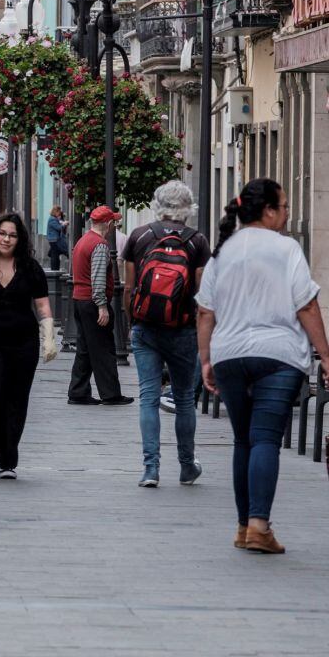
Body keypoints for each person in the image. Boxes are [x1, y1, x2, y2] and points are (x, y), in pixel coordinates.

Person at [197, 179, 329, 554]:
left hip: (230, 355)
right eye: (284, 207)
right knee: (266, 438)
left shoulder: (222, 252)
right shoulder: (286, 249)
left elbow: (205, 312)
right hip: (279, 355)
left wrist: (206, 359)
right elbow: (306, 305)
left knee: (244, 439)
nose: (288, 214)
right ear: (268, 211)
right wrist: (327, 356)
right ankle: (258, 525)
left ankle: (242, 527)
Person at [122, 181, 211, 488]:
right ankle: (187, 466)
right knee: (185, 400)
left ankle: (151, 469)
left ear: (156, 205)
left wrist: (133, 320)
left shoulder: (139, 236)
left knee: (148, 397)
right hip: (183, 329)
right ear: (188, 209)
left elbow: (130, 287)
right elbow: (201, 294)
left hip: (146, 328)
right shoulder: (197, 242)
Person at [0, 213, 57, 480]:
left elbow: (42, 305)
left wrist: (49, 337)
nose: (6, 239)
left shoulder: (30, 268)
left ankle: (8, 459)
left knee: (17, 400)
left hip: (24, 343)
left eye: (12, 235)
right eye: (2, 233)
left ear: (19, 239)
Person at [67, 206, 134, 406]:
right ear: (108, 223)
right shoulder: (100, 245)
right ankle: (111, 394)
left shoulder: (82, 242)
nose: (114, 225)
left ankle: (78, 391)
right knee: (104, 349)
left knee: (85, 348)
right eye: (113, 221)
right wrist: (102, 306)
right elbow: (97, 278)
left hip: (79, 299)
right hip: (93, 302)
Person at [46, 206, 68, 271]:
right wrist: (64, 224)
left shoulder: (54, 218)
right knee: (55, 254)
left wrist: (62, 222)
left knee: (55, 253)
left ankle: (55, 268)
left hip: (54, 239)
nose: (59, 213)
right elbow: (58, 227)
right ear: (56, 212)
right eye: (59, 212)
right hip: (54, 239)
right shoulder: (52, 219)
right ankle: (54, 268)